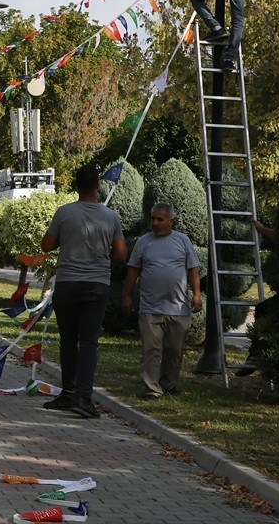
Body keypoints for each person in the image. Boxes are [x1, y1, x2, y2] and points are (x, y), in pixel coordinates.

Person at [39, 164, 128, 419]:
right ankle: (83, 399)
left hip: (67, 283)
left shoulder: (64, 213)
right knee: (88, 342)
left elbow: (46, 245)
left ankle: (68, 393)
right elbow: (121, 254)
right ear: (98, 186)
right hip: (96, 285)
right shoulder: (110, 217)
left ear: (75, 186)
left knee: (68, 340)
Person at [120, 203, 202, 399]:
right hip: (150, 307)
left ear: (170, 221)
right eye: (153, 219)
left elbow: (193, 269)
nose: (155, 223)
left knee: (174, 350)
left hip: (178, 307)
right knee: (151, 349)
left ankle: (169, 384)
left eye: (160, 219)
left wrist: (197, 295)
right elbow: (133, 269)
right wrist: (126, 295)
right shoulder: (143, 241)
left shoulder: (182, 241)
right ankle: (151, 388)